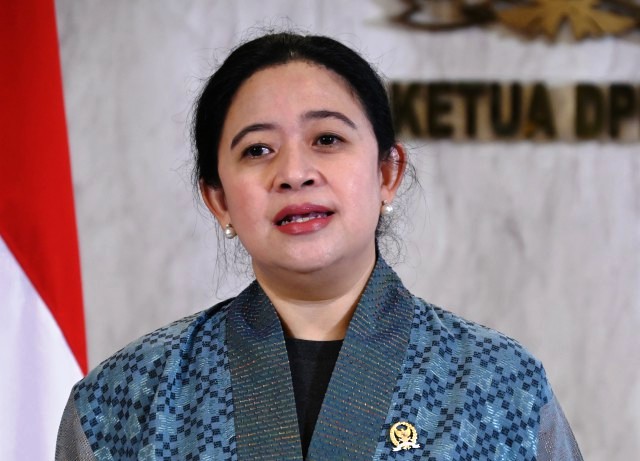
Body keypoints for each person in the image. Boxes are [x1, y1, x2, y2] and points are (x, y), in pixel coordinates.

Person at [56, 32, 583, 460]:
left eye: (327, 139)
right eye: (257, 149)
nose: (294, 173)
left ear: (387, 173)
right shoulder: (123, 399)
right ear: (218, 199)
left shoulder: (502, 385)